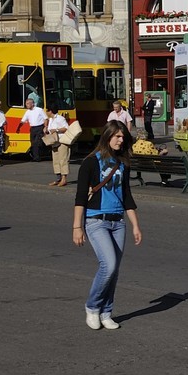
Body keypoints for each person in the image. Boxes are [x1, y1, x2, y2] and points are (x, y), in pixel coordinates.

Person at [71, 123, 141, 330]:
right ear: (107, 136)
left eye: (123, 137)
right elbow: (80, 197)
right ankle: (92, 307)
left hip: (118, 221)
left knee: (114, 270)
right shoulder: (91, 162)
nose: (121, 140)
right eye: (117, 136)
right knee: (108, 265)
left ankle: (106, 312)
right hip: (96, 220)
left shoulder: (122, 163)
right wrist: (77, 227)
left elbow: (126, 195)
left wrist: (135, 225)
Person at [46, 106, 72, 187]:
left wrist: (56, 130)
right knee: (56, 160)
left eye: (47, 111)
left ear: (50, 111)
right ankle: (58, 178)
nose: (46, 112)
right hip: (54, 142)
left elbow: (66, 128)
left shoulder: (60, 118)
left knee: (63, 160)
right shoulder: (50, 119)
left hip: (62, 141)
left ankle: (64, 179)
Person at [19, 96, 48, 161]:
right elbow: (23, 120)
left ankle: (37, 157)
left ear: (32, 104)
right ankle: (35, 157)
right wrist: (19, 127)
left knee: (37, 142)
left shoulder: (39, 110)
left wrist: (45, 127)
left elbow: (46, 118)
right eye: (26, 103)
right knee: (32, 142)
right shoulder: (27, 112)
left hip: (40, 127)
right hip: (33, 128)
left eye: (28, 103)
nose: (26, 105)